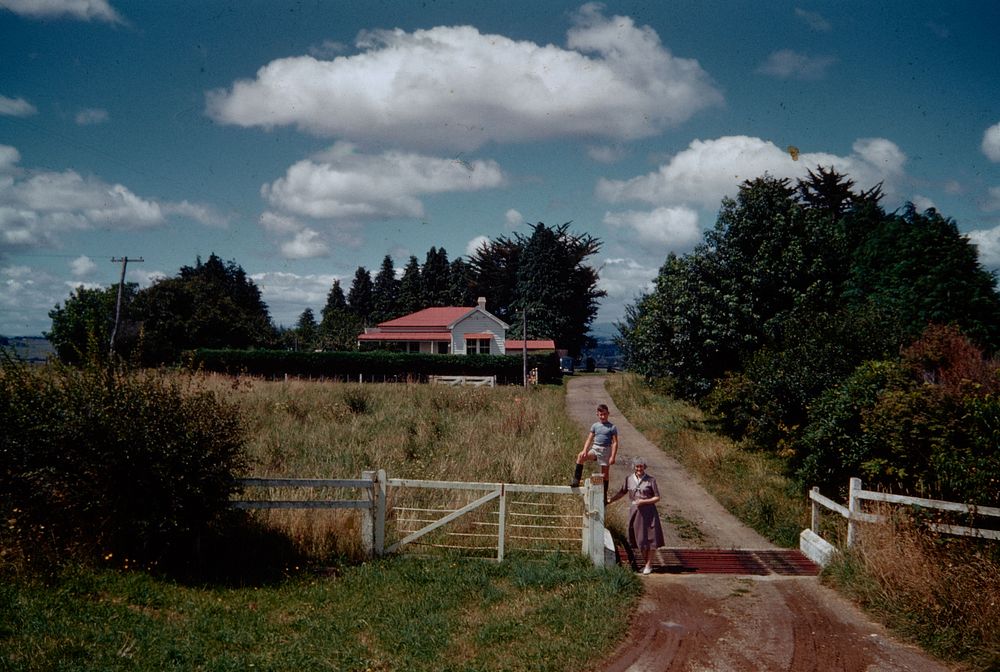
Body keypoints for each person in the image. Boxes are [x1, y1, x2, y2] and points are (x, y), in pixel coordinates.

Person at [608, 456, 664, 574]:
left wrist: (644, 501)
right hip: (635, 512)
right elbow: (622, 492)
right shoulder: (629, 479)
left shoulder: (651, 480)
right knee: (640, 539)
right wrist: (611, 500)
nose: (639, 468)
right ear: (634, 467)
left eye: (641, 466)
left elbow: (657, 497)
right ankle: (647, 563)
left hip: (649, 512)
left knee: (651, 538)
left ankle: (649, 565)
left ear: (644, 467)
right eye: (637, 466)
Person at [570, 403, 619, 503]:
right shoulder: (595, 426)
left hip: (606, 450)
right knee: (580, 456)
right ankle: (576, 480)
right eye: (601, 414)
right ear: (597, 414)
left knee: (605, 474)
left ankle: (604, 497)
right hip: (595, 449)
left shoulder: (612, 427)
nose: (603, 416)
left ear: (608, 414)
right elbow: (589, 439)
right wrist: (585, 450)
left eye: (605, 414)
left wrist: (613, 456)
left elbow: (615, 443)